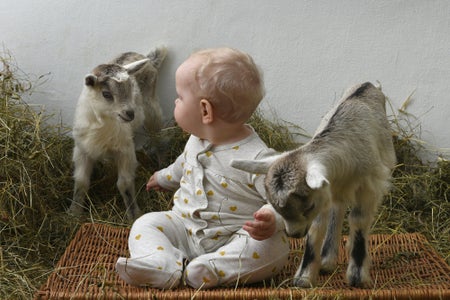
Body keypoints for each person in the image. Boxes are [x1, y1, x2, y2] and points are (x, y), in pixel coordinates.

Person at [115, 47, 289, 289]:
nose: (175, 101)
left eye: (180, 97)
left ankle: (211, 268)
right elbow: (184, 164)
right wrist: (164, 177)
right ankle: (161, 263)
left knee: (272, 247)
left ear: (205, 111)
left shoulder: (257, 158)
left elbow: (286, 198)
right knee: (146, 223)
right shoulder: (196, 139)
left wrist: (272, 219)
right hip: (184, 229)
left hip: (236, 237)